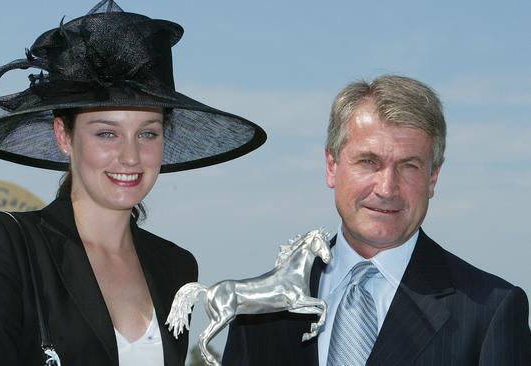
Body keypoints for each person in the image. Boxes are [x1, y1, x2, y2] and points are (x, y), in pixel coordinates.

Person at [0, 1, 266, 366]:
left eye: (147, 134)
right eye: (107, 133)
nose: (130, 156)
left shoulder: (176, 267)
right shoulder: (9, 245)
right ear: (64, 135)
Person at [222, 75, 531, 365]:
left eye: (409, 166)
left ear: (433, 178)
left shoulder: (490, 312)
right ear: (331, 165)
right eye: (369, 162)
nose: (387, 189)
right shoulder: (258, 309)